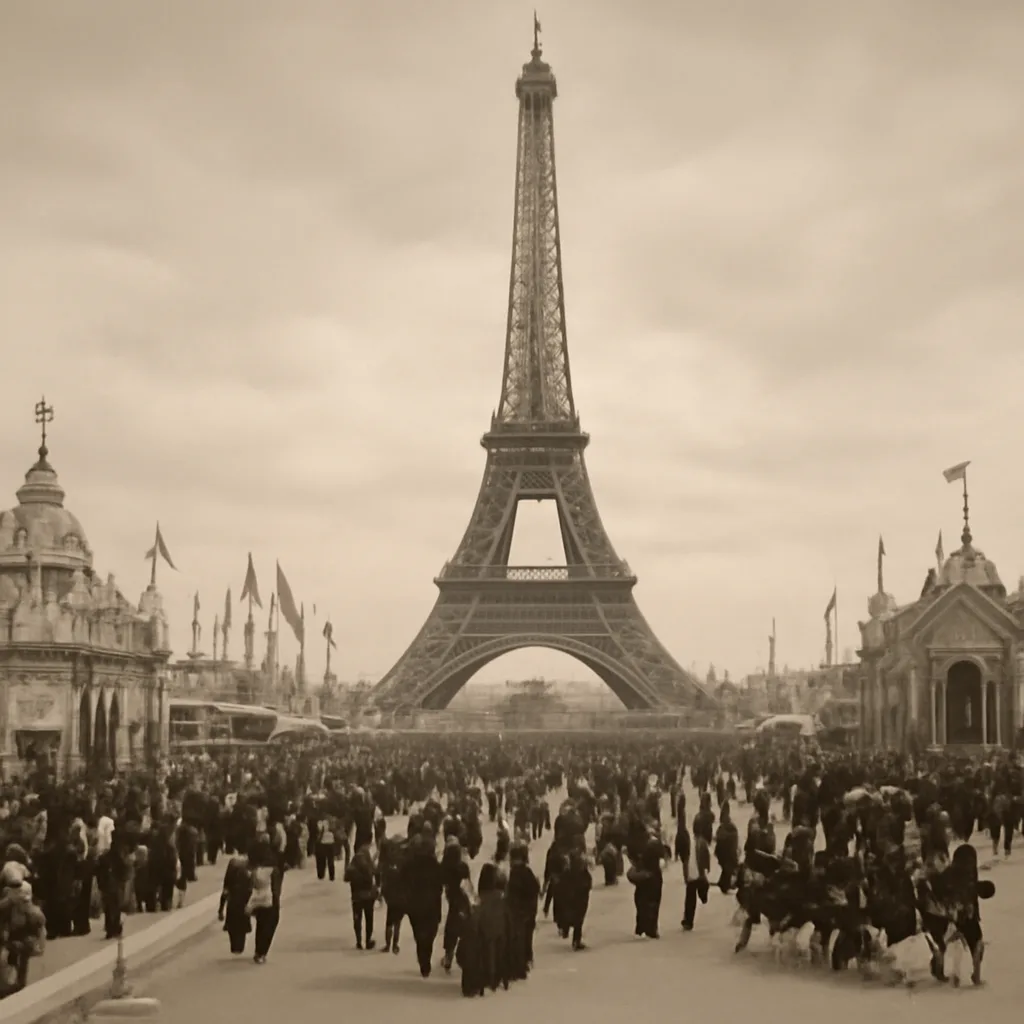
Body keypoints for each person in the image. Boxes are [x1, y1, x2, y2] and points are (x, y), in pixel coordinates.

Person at [343, 844, 378, 950]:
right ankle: (368, 940)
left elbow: (346, 878)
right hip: (368, 896)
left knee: (357, 919)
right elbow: (375, 873)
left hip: (356, 897)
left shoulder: (353, 866)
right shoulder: (368, 864)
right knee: (369, 919)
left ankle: (358, 941)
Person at [218, 852, 252, 955]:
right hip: (244, 902)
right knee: (242, 925)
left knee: (232, 925)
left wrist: (220, 909)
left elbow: (225, 890)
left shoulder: (232, 866)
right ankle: (240, 946)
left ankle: (234, 946)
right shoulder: (248, 870)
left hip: (232, 903)